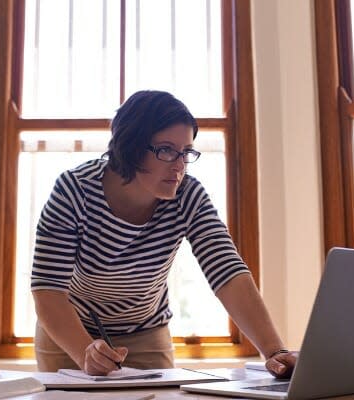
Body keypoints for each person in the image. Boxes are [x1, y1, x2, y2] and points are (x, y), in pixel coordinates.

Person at [31, 90, 298, 378]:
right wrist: (86, 351)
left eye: (186, 152)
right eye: (167, 150)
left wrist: (275, 352)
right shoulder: (74, 191)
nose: (179, 164)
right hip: (71, 330)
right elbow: (48, 290)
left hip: (146, 332)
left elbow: (227, 272)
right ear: (130, 146)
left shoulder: (188, 195)